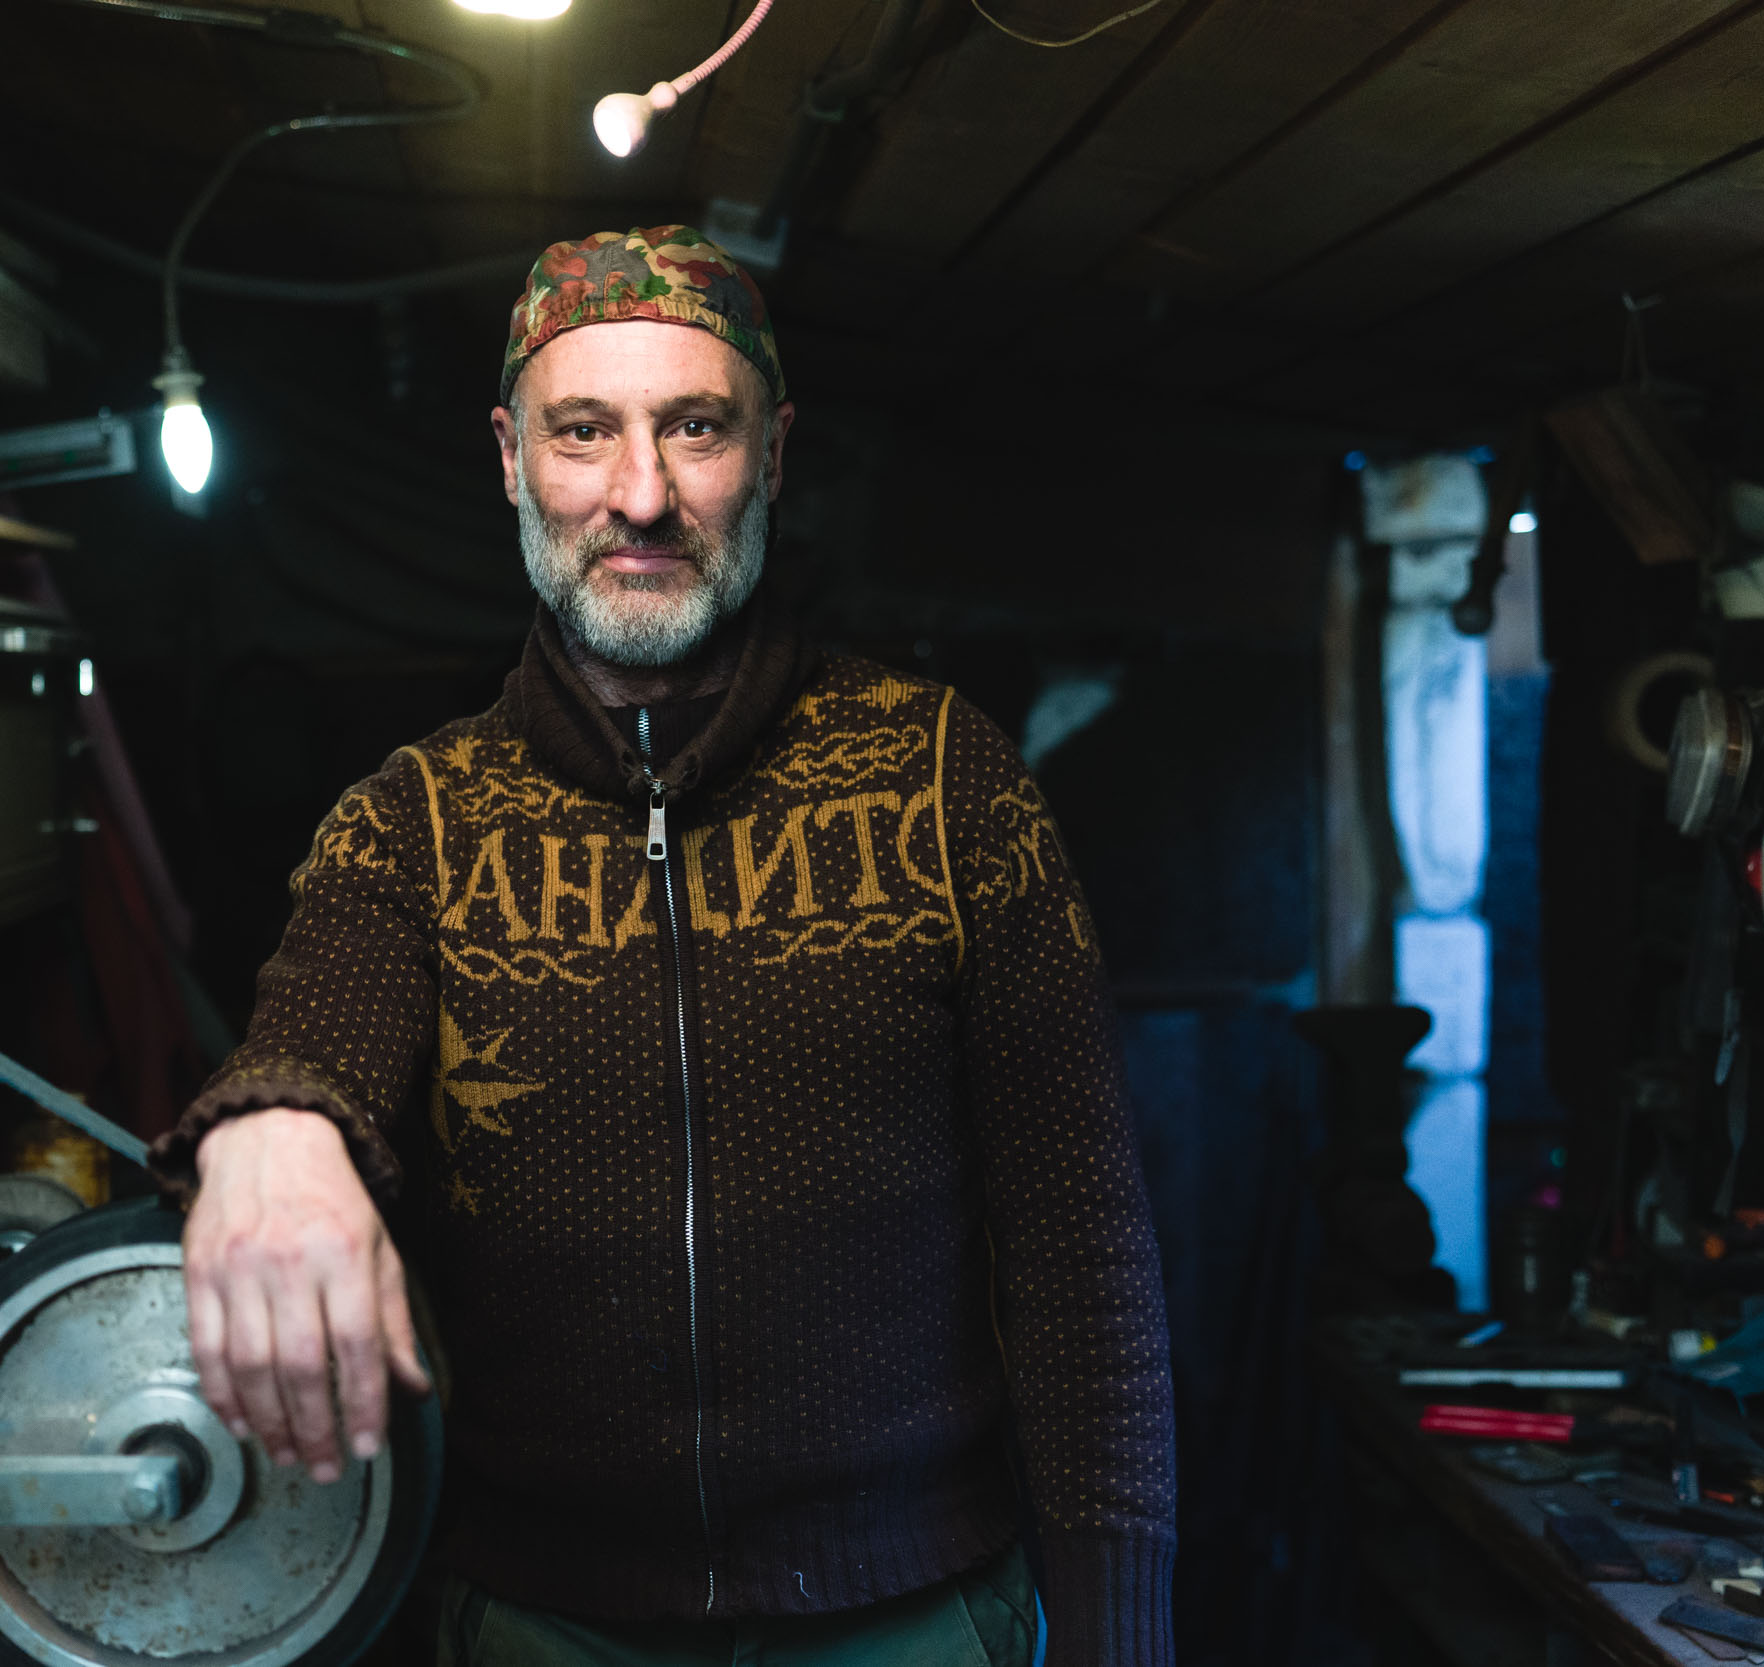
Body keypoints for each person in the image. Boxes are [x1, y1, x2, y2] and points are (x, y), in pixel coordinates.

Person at [151, 226, 1175, 1665]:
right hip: (534, 1624)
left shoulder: (954, 785)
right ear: (511, 458)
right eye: (585, 433)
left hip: (915, 1615)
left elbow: (1084, 1254)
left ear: (772, 449)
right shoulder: (414, 824)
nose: (641, 496)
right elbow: (311, 1040)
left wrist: (1126, 1635)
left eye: (695, 428)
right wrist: (271, 1133)